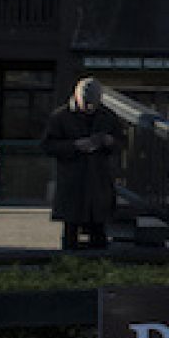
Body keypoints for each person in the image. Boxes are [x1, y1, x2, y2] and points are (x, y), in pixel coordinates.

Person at [41, 78, 121, 251]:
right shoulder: (60, 117)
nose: (89, 108)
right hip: (73, 178)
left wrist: (110, 142)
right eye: (86, 103)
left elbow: (122, 142)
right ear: (77, 97)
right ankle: (70, 261)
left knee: (99, 231)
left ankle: (98, 261)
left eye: (93, 104)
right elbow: (47, 146)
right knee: (71, 229)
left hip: (98, 178)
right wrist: (74, 146)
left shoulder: (108, 116)